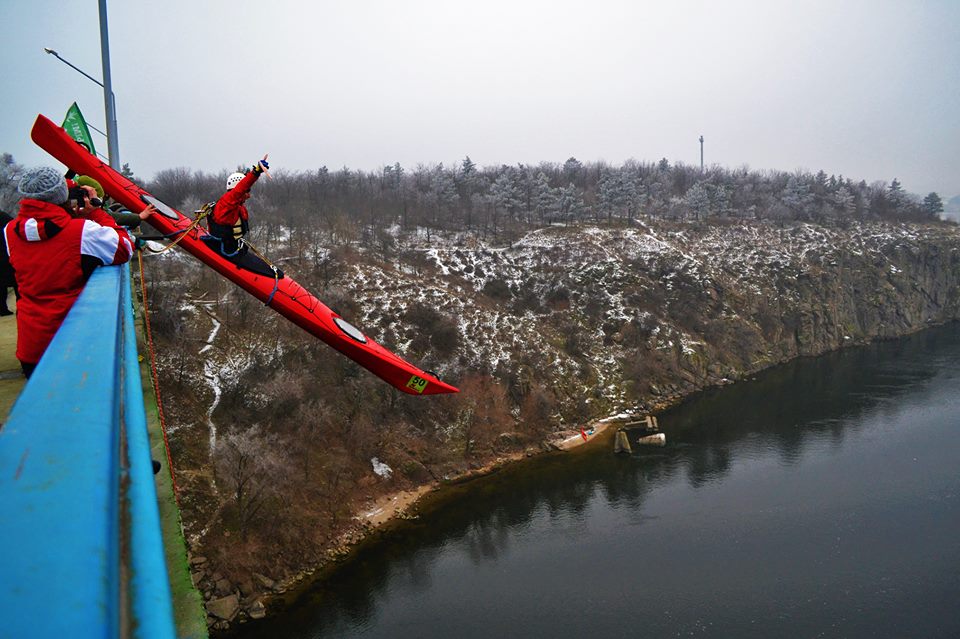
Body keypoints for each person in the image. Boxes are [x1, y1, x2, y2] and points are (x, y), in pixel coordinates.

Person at [2, 166, 153, 378]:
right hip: (74, 341)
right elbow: (124, 248)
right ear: (62, 195)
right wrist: (97, 212)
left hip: (32, 345)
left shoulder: (10, 232)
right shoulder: (81, 232)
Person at [208, 155, 269, 257]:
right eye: (247, 190)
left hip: (236, 248)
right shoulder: (227, 202)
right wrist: (255, 172)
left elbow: (241, 189)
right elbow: (240, 189)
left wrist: (247, 174)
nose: (248, 194)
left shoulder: (237, 206)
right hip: (227, 250)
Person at [0, 210, 16, 315]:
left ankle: (2, 308)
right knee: (14, 281)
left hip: (5, 253)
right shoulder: (3, 216)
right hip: (6, 253)